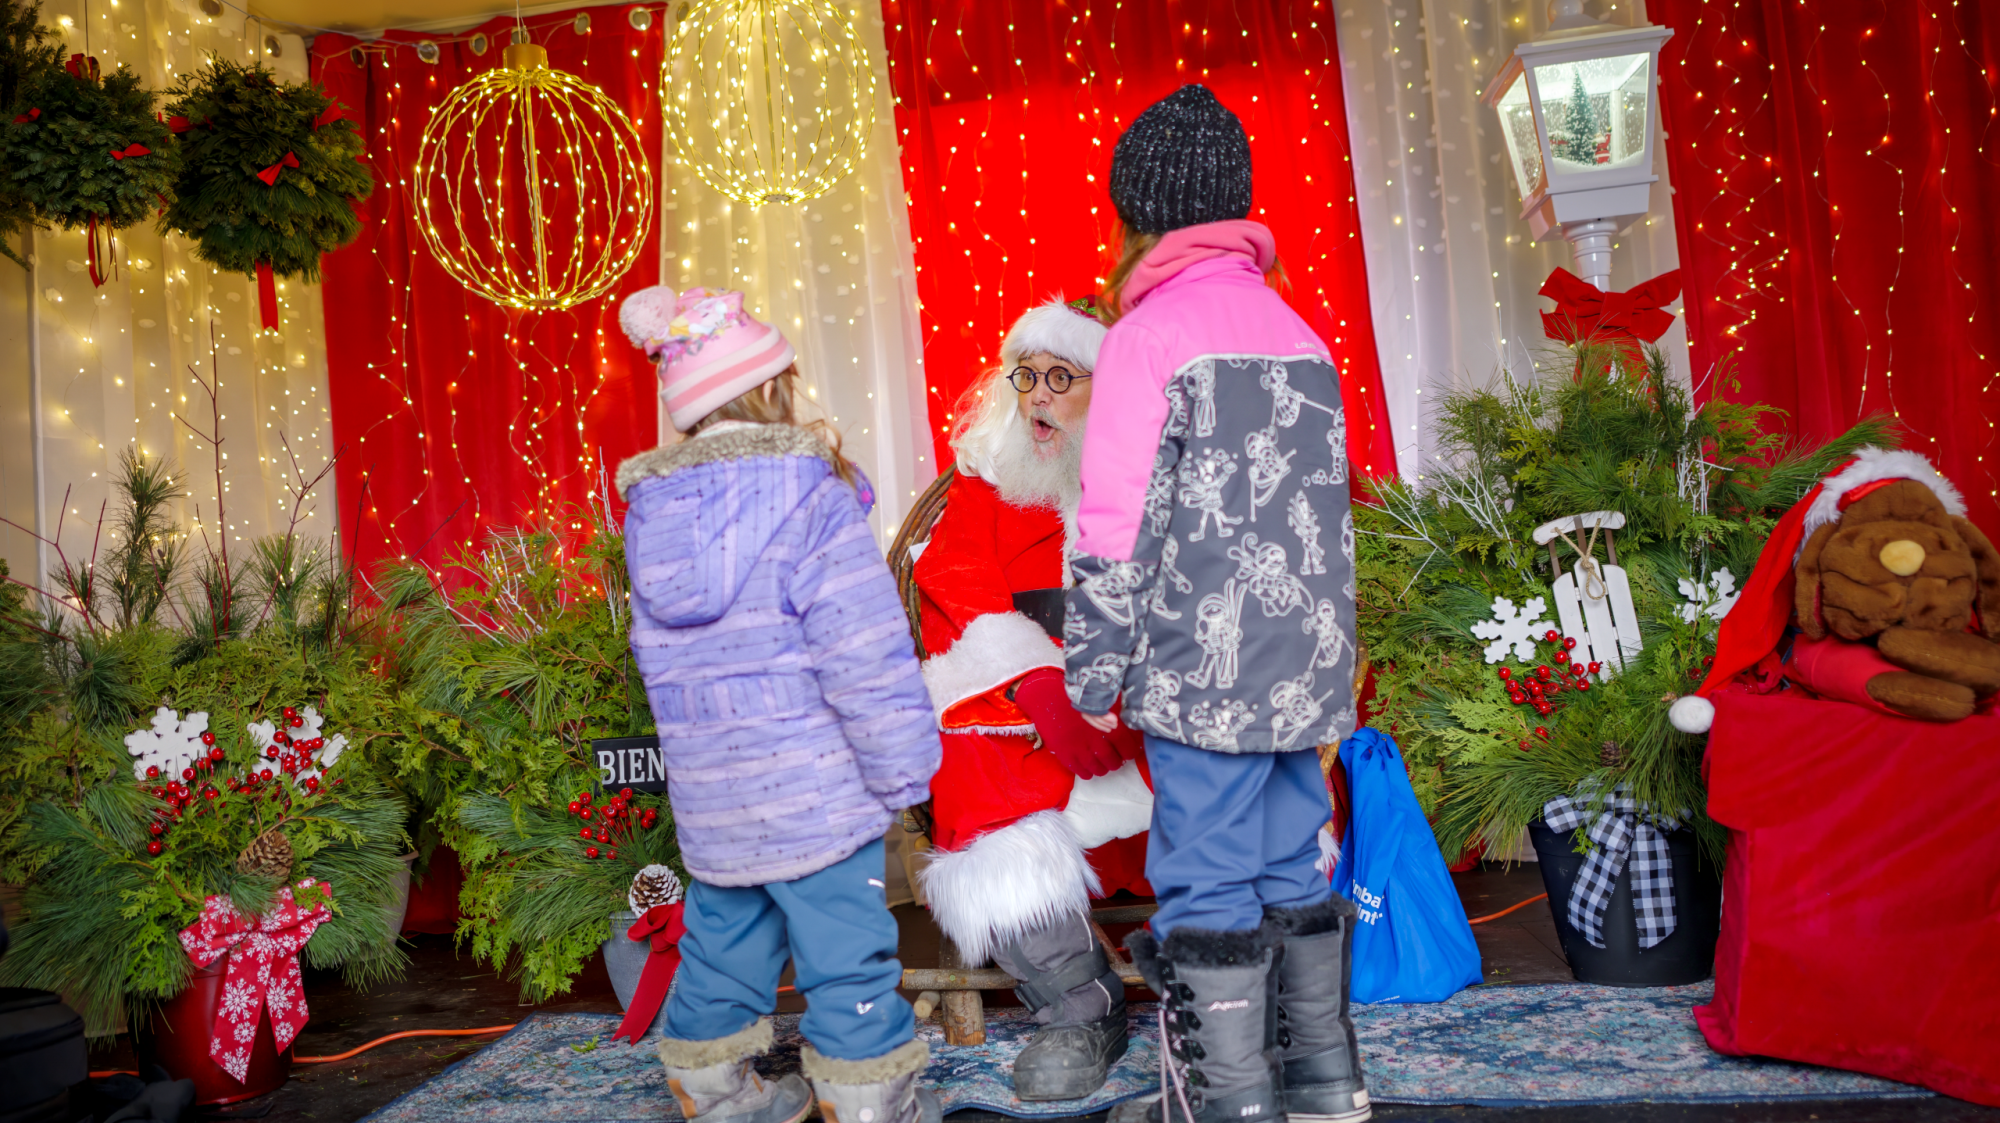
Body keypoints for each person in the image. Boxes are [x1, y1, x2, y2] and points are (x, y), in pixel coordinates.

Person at [1064, 87, 1373, 1123]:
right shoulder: (1296, 329)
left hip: (1205, 665)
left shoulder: (1148, 335)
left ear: (1137, 213)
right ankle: (1325, 1082)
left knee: (1203, 876)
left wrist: (1095, 668)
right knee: (1292, 856)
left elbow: (1115, 522)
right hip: (1308, 659)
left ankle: (1227, 1104)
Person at [617, 287, 944, 1123]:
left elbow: (658, 662)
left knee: (723, 948)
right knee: (846, 955)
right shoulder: (811, 499)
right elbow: (863, 652)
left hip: (715, 796)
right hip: (817, 791)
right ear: (774, 387)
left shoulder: (652, 517)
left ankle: (714, 1090)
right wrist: (906, 767)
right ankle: (867, 1100)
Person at [910, 297, 1154, 1101]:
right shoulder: (988, 479)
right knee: (974, 770)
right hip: (1019, 699)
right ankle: (1080, 1007)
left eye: (1062, 377)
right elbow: (948, 574)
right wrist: (1037, 679)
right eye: (1027, 376)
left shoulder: (1157, 472)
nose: (1037, 396)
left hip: (1139, 692)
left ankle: (1227, 991)